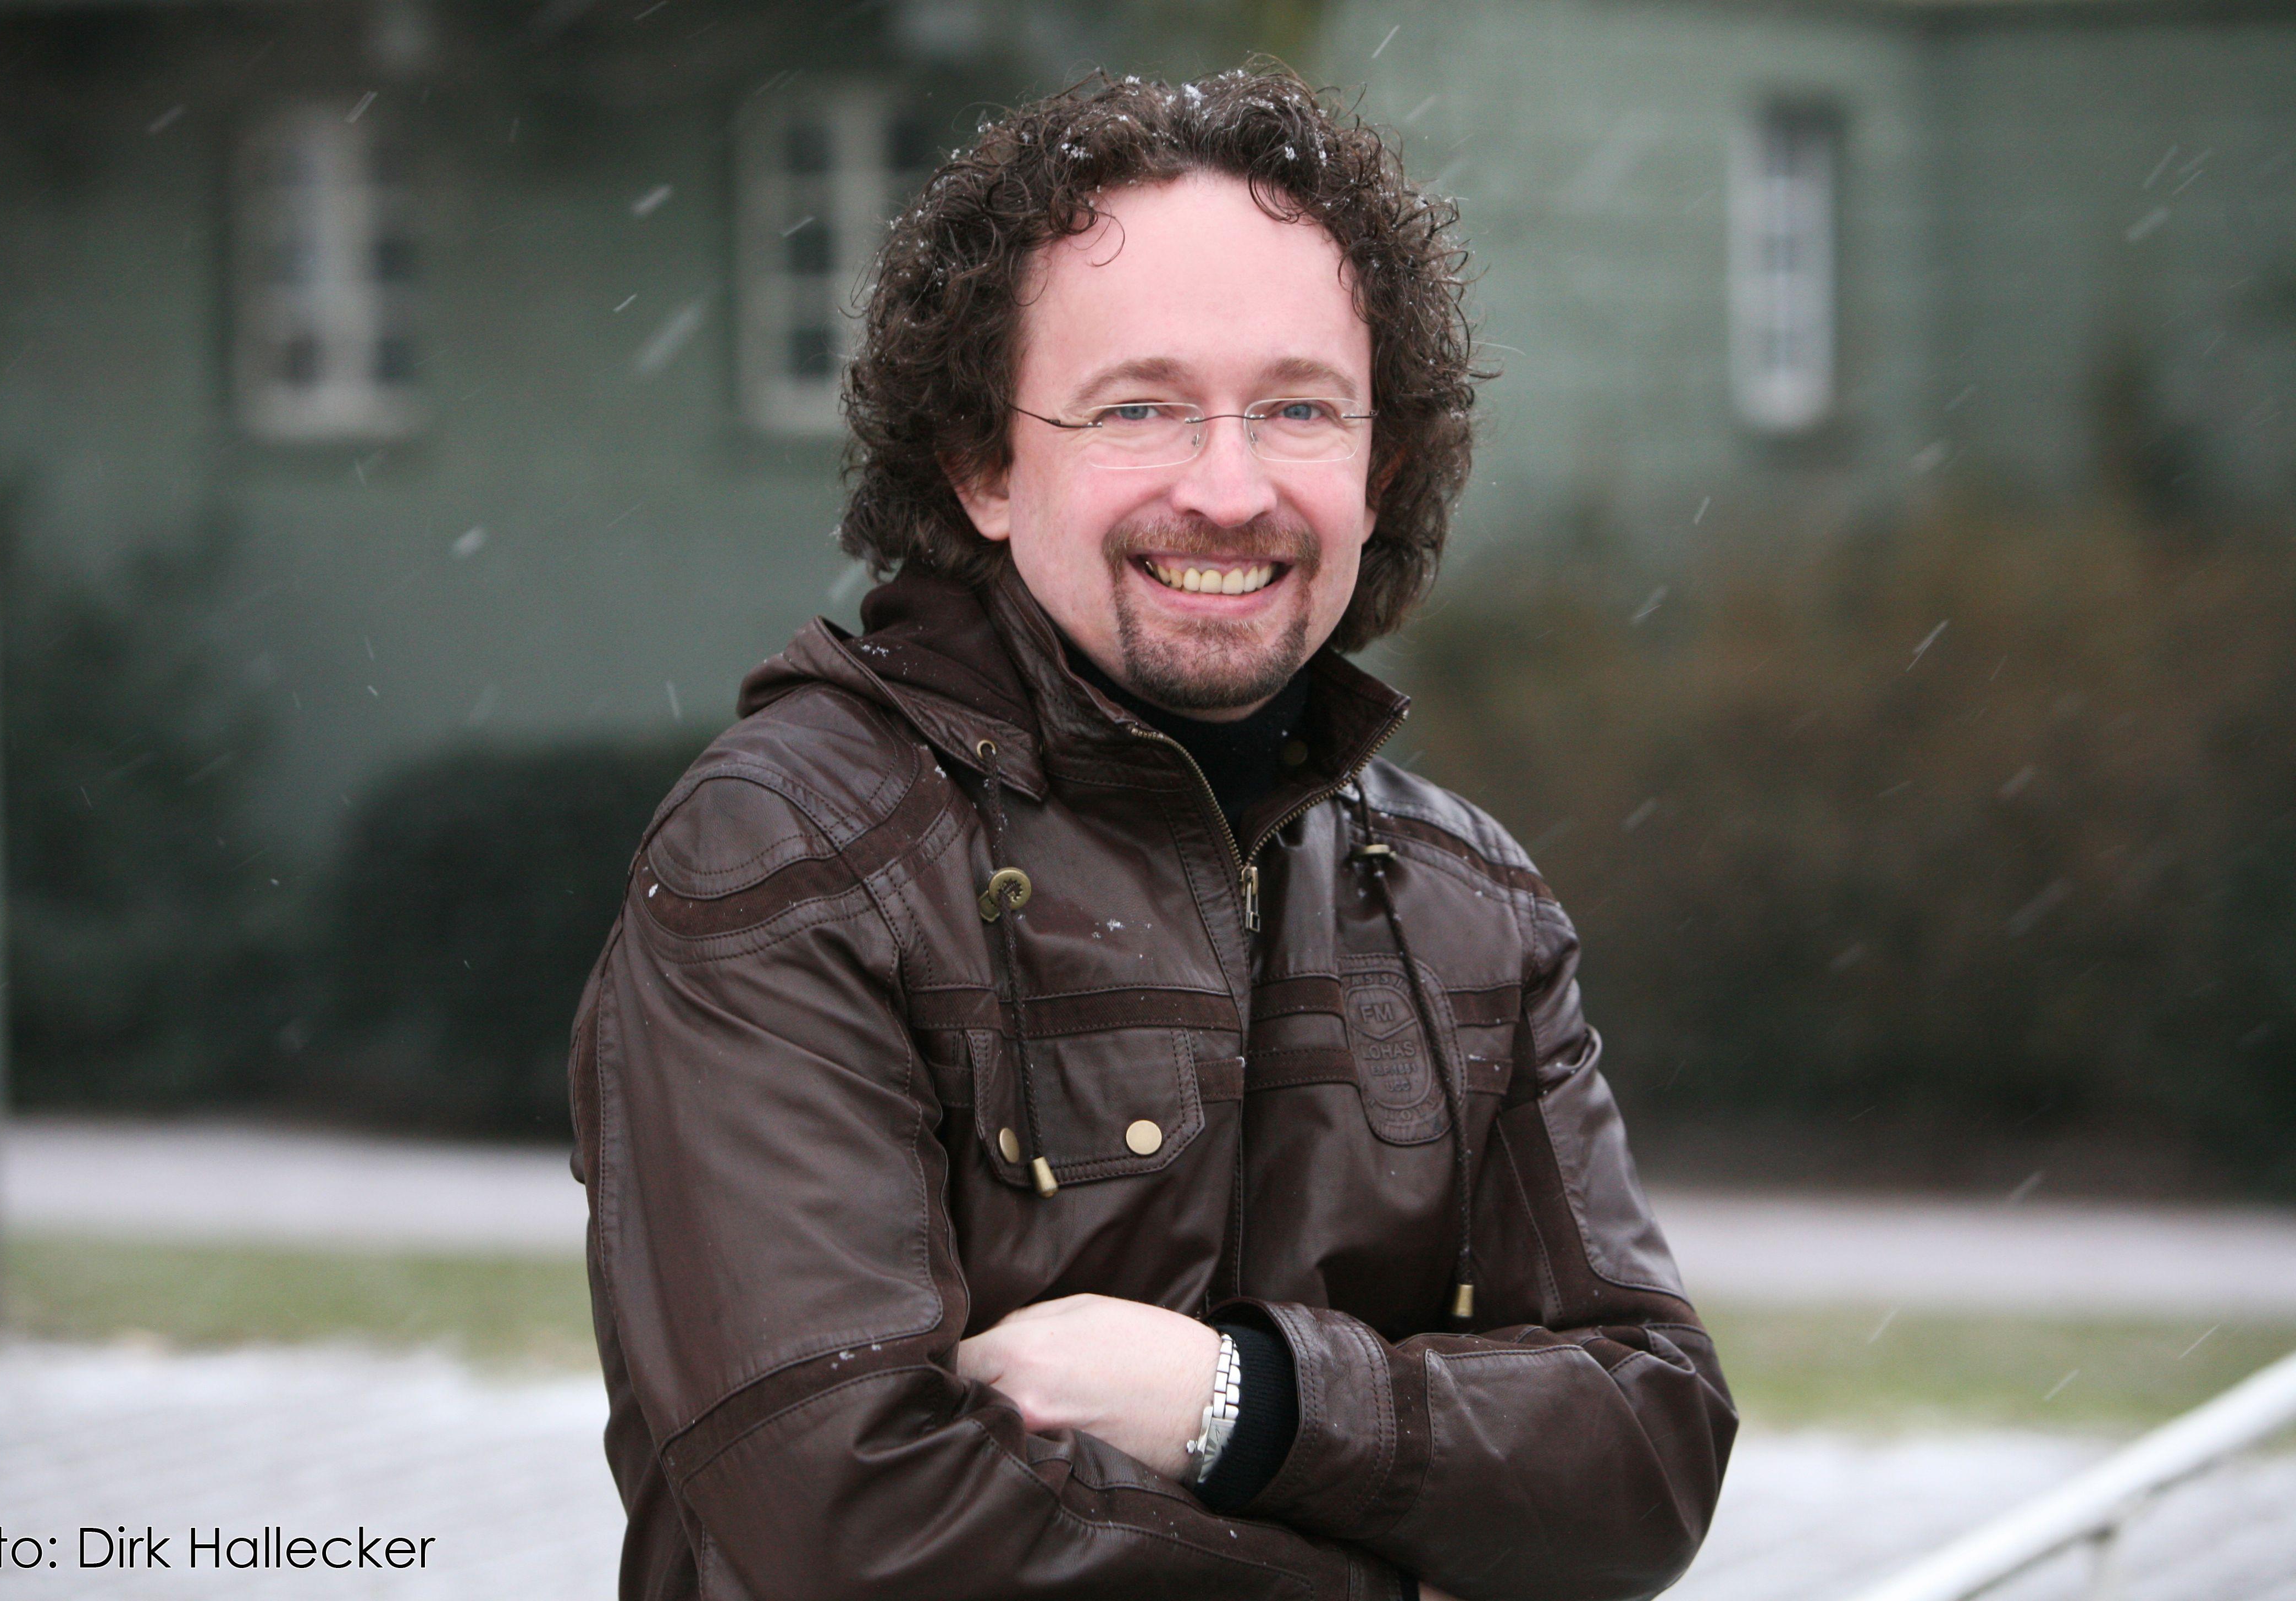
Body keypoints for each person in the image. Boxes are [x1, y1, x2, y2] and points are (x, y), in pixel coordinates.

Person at [570, 66, 1735, 1601]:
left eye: (1299, 409)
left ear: (1379, 467)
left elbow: (1650, 1455)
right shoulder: (789, 857)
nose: (1229, 488)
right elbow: (858, 1529)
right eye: (1140, 408)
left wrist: (1239, 1402)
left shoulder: (1465, 899)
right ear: (982, 466)